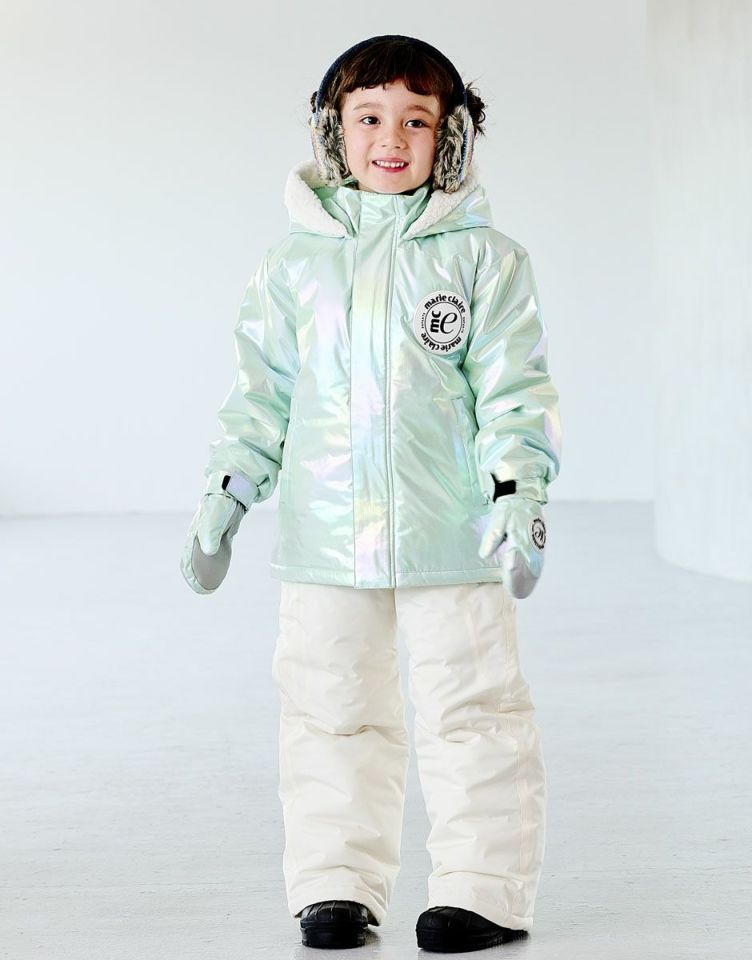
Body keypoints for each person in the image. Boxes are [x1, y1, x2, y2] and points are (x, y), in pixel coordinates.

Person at [180, 34, 562, 953]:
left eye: (416, 121)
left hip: (452, 535)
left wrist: (519, 500)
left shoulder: (487, 262)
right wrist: (225, 497)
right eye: (369, 118)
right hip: (326, 538)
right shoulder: (293, 266)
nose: (391, 139)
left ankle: (483, 889)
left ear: (451, 139)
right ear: (333, 132)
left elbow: (514, 394)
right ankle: (335, 885)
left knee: (472, 708)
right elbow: (261, 394)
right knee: (330, 707)